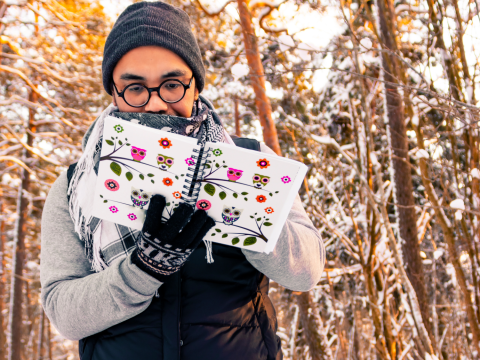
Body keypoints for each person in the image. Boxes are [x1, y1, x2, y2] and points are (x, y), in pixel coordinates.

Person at [40, 2, 325, 360]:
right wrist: (142, 271)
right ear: (114, 92)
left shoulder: (252, 159)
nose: (156, 104)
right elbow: (64, 313)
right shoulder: (76, 187)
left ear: (194, 87)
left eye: (172, 84)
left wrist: (248, 215)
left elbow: (307, 272)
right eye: (136, 88)